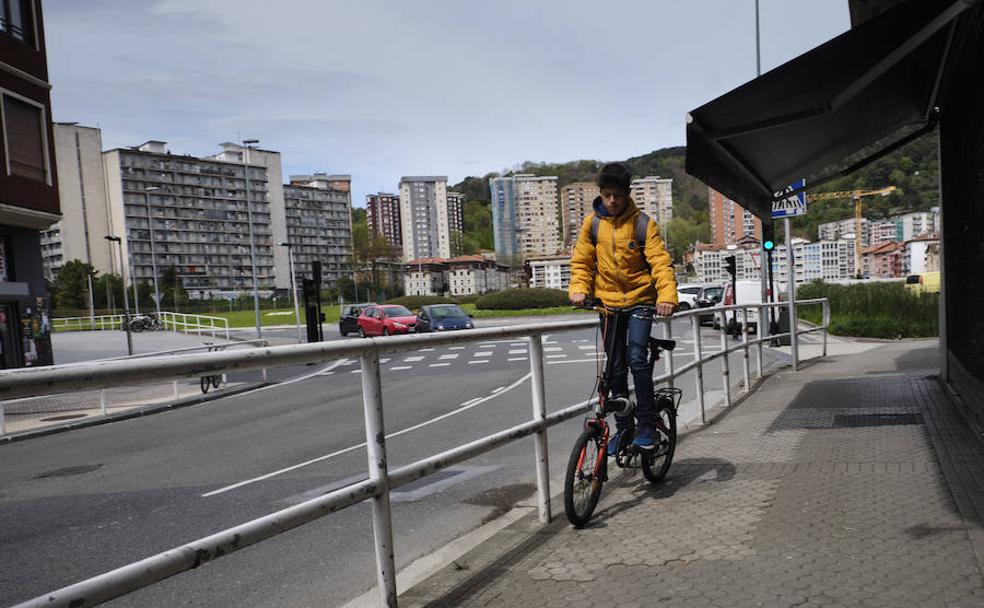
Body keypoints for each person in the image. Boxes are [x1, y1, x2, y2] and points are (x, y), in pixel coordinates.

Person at [569, 163, 678, 451]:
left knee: (636, 360)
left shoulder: (643, 224)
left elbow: (660, 264)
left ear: (627, 193)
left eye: (618, 195)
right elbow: (582, 263)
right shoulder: (592, 224)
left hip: (641, 301)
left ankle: (647, 425)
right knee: (615, 369)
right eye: (607, 195)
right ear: (601, 194)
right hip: (608, 305)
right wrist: (580, 290)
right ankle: (624, 428)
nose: (613, 201)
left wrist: (666, 296)